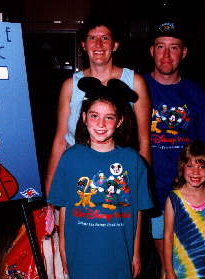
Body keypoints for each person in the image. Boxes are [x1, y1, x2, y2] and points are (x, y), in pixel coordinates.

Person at [47, 77, 153, 279]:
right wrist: (63, 250)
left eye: (109, 117)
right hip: (81, 252)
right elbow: (64, 208)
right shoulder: (70, 158)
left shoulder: (133, 161)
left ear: (120, 120)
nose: (101, 124)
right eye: (95, 116)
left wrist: (136, 253)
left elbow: (138, 211)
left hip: (119, 253)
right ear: (84, 117)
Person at [45, 15, 151, 196]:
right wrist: (49, 188)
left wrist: (142, 188)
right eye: (92, 38)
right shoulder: (70, 85)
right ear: (83, 45)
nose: (99, 45)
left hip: (118, 176)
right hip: (77, 174)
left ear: (115, 45)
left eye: (105, 38)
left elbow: (144, 141)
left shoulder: (135, 82)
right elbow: (60, 140)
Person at [144, 20, 205, 277]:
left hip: (188, 194)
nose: (166, 54)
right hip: (150, 194)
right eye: (160, 47)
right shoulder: (137, 89)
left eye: (174, 48)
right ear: (151, 50)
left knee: (188, 264)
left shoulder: (197, 95)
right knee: (165, 267)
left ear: (183, 53)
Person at [164, 140, 205, 279]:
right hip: (179, 271)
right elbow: (167, 236)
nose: (195, 172)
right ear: (182, 167)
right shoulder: (174, 199)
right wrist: (169, 271)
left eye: (201, 166)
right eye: (190, 166)